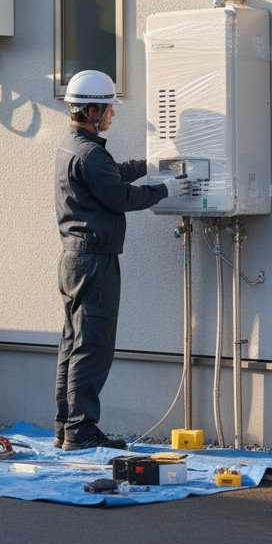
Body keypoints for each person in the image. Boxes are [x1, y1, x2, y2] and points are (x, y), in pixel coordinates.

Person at [54, 70, 190, 451]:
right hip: (94, 261)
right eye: (110, 109)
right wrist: (167, 188)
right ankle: (81, 433)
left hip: (74, 260)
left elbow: (110, 176)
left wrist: (150, 164)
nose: (113, 115)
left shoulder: (74, 146)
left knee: (73, 344)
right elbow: (119, 197)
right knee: (92, 346)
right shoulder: (90, 153)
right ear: (94, 110)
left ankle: (66, 428)